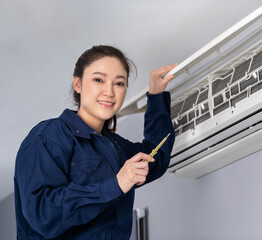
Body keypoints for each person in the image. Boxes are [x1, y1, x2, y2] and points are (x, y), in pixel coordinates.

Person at [14, 45, 176, 239]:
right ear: (78, 84)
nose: (109, 91)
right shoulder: (49, 137)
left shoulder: (117, 148)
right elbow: (42, 214)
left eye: (119, 83)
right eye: (98, 80)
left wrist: (156, 95)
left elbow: (155, 157)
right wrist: (116, 185)